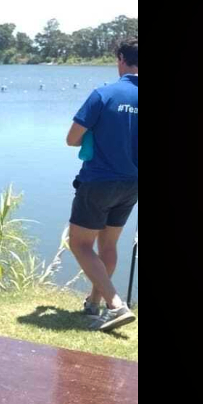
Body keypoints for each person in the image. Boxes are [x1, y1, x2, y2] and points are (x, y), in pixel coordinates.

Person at [65, 37, 138, 331]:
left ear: (121, 59)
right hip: (132, 184)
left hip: (98, 181)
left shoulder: (104, 94)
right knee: (109, 244)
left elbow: (72, 139)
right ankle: (93, 304)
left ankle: (116, 304)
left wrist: (94, 136)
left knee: (80, 243)